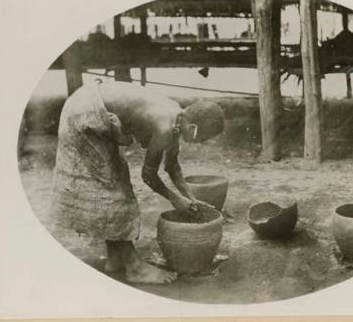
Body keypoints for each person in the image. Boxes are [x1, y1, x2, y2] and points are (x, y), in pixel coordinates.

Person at [52, 80, 225, 284]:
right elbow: (148, 176)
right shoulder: (166, 126)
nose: (200, 144)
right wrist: (175, 200)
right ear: (193, 127)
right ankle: (134, 267)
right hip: (84, 111)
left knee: (115, 178)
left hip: (91, 103)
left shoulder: (178, 116)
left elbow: (172, 167)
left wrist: (190, 197)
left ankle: (116, 258)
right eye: (202, 138)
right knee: (113, 190)